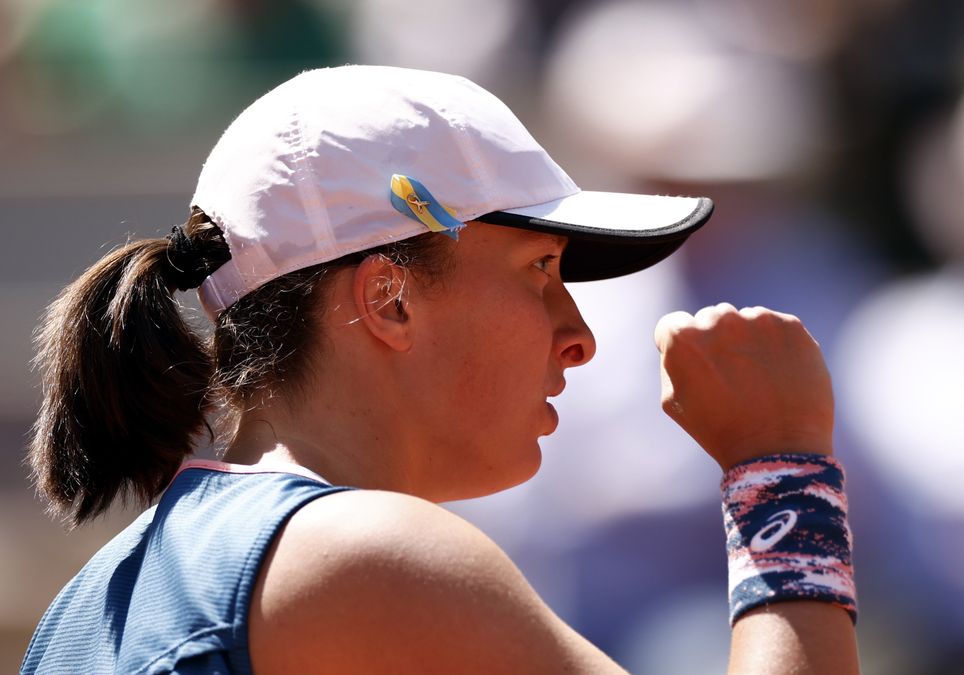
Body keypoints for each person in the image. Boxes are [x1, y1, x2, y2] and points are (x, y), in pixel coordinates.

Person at [21, 66, 859, 674]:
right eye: (540, 271)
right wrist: (779, 470)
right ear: (389, 300)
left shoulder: (95, 598)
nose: (579, 337)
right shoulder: (365, 555)